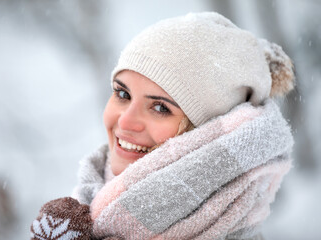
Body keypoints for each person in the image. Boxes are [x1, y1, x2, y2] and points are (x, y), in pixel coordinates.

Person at [30, 12, 295, 240]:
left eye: (160, 108)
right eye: (123, 94)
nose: (125, 121)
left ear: (206, 136)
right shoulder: (86, 209)